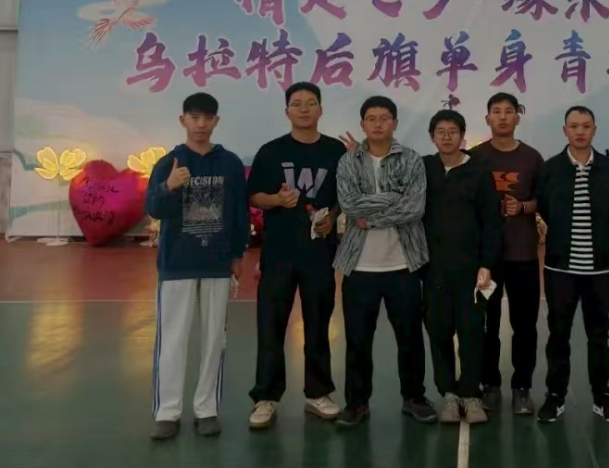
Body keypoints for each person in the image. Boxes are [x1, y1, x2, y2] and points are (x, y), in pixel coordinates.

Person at [148, 93, 248, 440]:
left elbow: (239, 213)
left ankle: (207, 409)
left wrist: (237, 255)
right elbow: (153, 208)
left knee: (214, 339)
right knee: (172, 338)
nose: (201, 125)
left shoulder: (230, 163)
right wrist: (169, 186)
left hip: (217, 263)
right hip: (177, 262)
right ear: (183, 121)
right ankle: (167, 411)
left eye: (208, 118)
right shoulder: (169, 162)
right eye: (195, 118)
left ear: (216, 121)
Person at [247, 82, 346, 429]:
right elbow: (254, 195)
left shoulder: (336, 151)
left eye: (311, 103)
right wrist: (276, 200)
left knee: (318, 326)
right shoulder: (271, 151)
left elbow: (344, 197)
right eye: (297, 103)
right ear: (286, 111)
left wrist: (332, 218)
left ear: (321, 110)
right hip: (279, 254)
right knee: (270, 327)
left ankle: (318, 393)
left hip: (320, 255)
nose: (304, 109)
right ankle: (266, 397)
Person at [334, 96, 436, 428]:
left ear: (395, 122)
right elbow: (349, 205)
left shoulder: (412, 159)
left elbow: (415, 208)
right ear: (362, 124)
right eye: (371, 118)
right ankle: (357, 403)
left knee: (410, 338)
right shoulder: (348, 161)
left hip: (403, 265)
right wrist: (393, 198)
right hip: (359, 267)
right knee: (357, 341)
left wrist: (373, 217)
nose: (378, 124)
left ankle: (414, 397)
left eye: (384, 118)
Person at [536, 106, 609, 425]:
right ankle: (555, 395)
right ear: (565, 131)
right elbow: (544, 208)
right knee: (558, 336)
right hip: (560, 270)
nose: (580, 131)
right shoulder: (551, 169)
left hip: (598, 270)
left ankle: (602, 396)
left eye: (586, 126)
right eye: (574, 126)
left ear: (594, 130)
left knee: (599, 336)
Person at [422, 110, 502, 425]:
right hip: (433, 269)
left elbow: (492, 222)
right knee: (439, 331)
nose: (446, 136)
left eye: (452, 131)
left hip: (471, 270)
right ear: (432, 137)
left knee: (471, 333)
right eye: (440, 131)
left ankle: (471, 393)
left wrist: (487, 264)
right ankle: (449, 394)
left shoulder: (479, 172)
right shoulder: (424, 168)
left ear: (462, 136)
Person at [469, 92, 546, 415]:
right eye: (496, 111)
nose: (502, 117)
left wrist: (523, 207)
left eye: (508, 111)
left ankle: (522, 387)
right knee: (486, 323)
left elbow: (544, 199)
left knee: (525, 325)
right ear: (487, 118)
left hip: (522, 256)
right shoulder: (474, 157)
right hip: (486, 261)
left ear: (517, 117)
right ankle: (489, 384)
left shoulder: (532, 158)